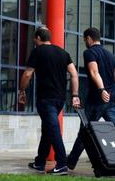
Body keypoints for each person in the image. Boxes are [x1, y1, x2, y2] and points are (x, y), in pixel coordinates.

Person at [67, 27, 115, 171]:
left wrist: (102, 90)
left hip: (98, 99)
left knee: (86, 129)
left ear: (89, 39)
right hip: (114, 98)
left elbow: (94, 72)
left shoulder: (89, 52)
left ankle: (71, 161)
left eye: (85, 39)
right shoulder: (112, 56)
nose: (85, 42)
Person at [19, 27, 80, 175]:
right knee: (47, 130)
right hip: (60, 99)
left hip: (46, 98)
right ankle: (40, 162)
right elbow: (74, 74)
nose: (34, 41)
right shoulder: (63, 53)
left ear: (38, 38)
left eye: (35, 39)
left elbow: (27, 74)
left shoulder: (37, 51)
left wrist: (22, 91)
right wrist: (75, 94)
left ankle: (62, 164)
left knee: (52, 130)